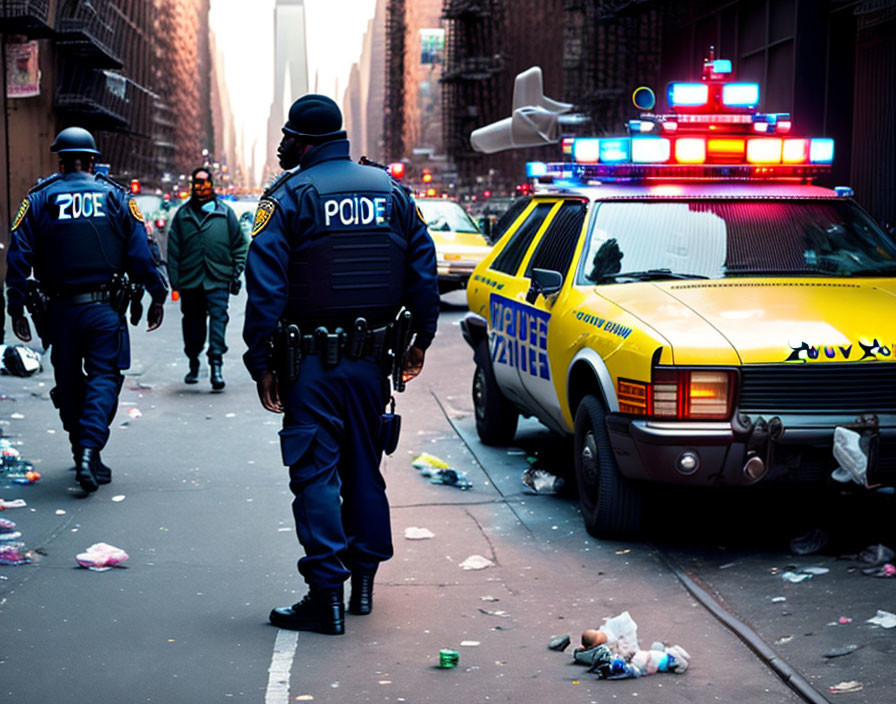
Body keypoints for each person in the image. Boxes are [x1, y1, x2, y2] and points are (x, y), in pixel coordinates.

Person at [243, 94, 439, 635]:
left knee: (316, 475)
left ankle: (325, 597)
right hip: (372, 365)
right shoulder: (393, 191)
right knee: (364, 469)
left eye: (288, 137)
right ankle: (364, 585)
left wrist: (262, 361)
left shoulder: (287, 197)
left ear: (304, 141)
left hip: (309, 367)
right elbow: (424, 269)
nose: (284, 146)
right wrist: (421, 337)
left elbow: (264, 288)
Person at [5, 126, 168, 493]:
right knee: (104, 378)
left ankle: (81, 446)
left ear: (60, 160)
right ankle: (90, 448)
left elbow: (18, 257)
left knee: (68, 383)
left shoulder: (39, 199)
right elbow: (141, 255)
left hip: (59, 312)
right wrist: (157, 295)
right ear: (93, 160)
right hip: (104, 310)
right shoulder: (116, 197)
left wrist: (16, 307)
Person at [166, 167, 247, 390]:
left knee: (219, 320)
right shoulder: (182, 215)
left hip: (219, 278)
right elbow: (173, 252)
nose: (201, 188)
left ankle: (216, 365)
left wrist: (235, 270)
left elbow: (240, 244)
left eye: (205, 183)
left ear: (212, 186)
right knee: (193, 326)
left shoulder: (226, 213)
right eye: (197, 183)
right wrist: (175, 284)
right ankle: (193, 360)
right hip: (191, 281)